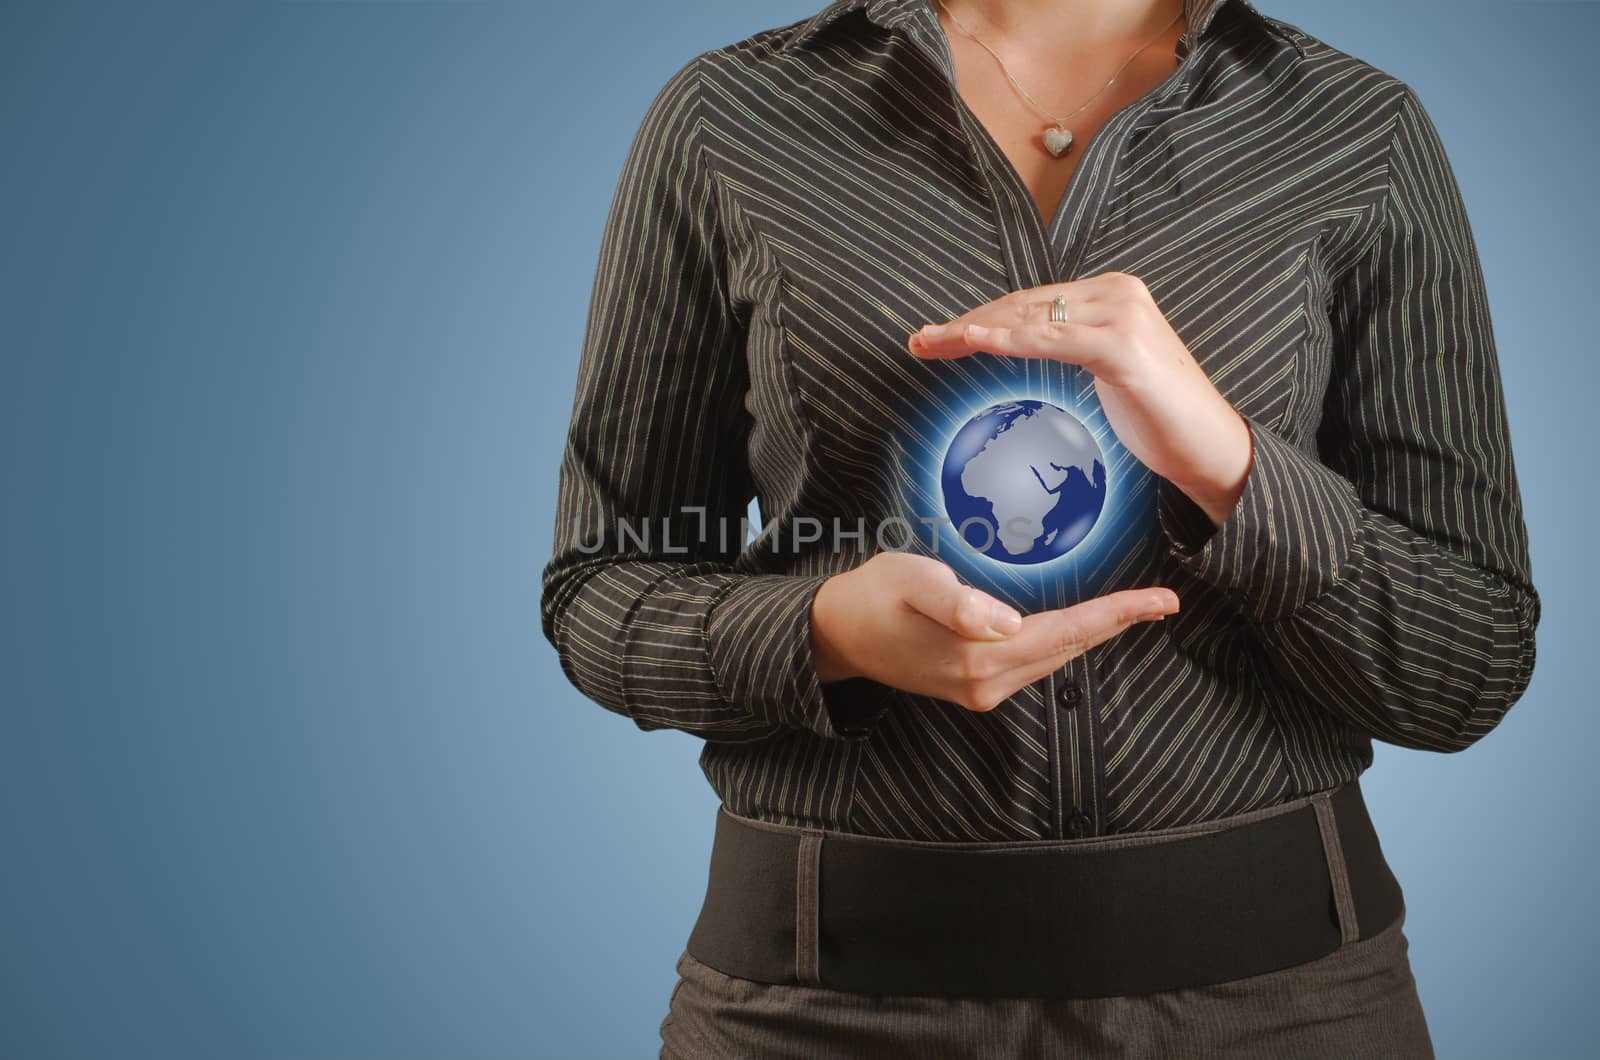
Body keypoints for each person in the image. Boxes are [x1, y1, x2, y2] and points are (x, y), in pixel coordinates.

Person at [539, 0, 1541, 1054]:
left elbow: (1465, 661)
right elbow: (600, 587)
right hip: (814, 1010)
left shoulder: (1353, 128)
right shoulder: (726, 120)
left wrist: (1227, 462)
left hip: (1281, 1009)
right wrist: (827, 633)